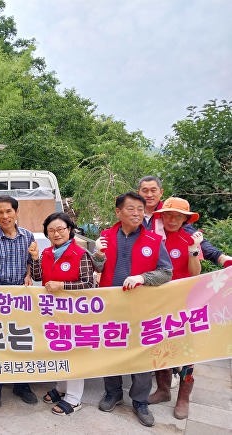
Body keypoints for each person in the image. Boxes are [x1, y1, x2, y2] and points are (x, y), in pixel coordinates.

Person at [93, 192, 173, 427]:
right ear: (118, 212)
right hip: (110, 308)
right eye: (131, 208)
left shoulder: (154, 241)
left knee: (141, 356)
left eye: (140, 209)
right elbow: (97, 267)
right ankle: (113, 392)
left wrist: (143, 277)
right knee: (111, 352)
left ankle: (139, 401)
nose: (137, 213)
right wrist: (98, 253)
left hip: (141, 309)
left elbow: (166, 272)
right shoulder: (106, 237)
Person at [29, 212, 95, 416]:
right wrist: (34, 259)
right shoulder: (47, 253)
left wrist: (62, 285)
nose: (56, 234)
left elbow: (89, 283)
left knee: (74, 353)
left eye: (60, 229)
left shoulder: (80, 254)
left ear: (69, 230)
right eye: (51, 230)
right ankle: (62, 387)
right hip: (54, 313)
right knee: (58, 349)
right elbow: (39, 276)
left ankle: (74, 399)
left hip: (76, 313)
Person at [148, 197, 203, 419]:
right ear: (162, 215)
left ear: (185, 219)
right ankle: (163, 390)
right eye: (169, 214)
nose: (172, 219)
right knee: (161, 344)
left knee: (187, 351)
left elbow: (195, 273)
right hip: (158, 302)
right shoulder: (153, 238)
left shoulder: (189, 240)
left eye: (178, 216)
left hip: (184, 302)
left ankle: (183, 398)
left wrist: (193, 250)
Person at [0, 195, 38, 409]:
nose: (5, 216)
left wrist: (29, 272)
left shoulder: (28, 236)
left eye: (8, 211)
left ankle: (21, 385)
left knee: (21, 339)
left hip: (21, 293)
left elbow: (30, 261)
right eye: (0, 212)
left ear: (16, 212)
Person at [137, 175, 231, 267]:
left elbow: (193, 237)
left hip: (167, 266)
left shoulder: (169, 211)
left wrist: (219, 256)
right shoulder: (132, 215)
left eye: (153, 190)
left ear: (161, 192)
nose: (149, 195)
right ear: (138, 193)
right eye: (145, 191)